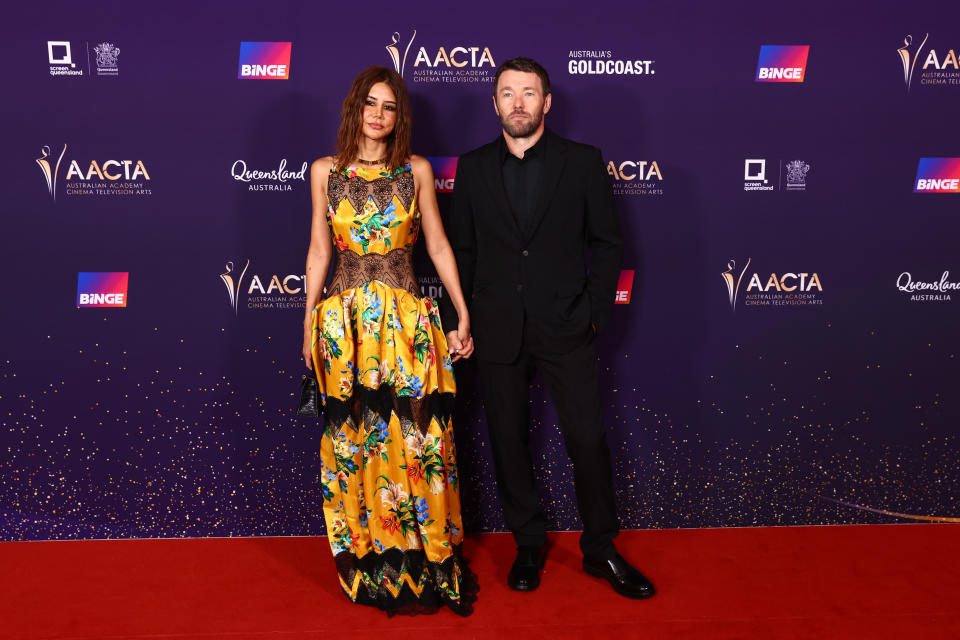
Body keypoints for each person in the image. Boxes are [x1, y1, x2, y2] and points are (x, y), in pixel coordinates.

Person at [439, 57, 654, 599]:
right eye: (507, 93)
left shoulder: (582, 163)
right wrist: (461, 320)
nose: (517, 102)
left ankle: (601, 548)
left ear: (546, 102)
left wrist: (594, 313)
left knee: (588, 439)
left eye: (528, 93)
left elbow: (607, 244)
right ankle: (528, 543)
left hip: (566, 326)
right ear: (495, 103)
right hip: (496, 330)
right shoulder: (472, 167)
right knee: (508, 441)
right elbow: (460, 252)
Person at [302, 66, 476, 616]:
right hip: (344, 328)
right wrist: (308, 323)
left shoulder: (416, 170)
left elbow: (439, 245)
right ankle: (373, 564)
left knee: (420, 440)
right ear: (355, 108)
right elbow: (318, 252)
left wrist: (461, 312)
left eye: (390, 107)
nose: (378, 115)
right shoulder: (324, 172)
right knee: (359, 442)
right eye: (370, 104)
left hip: (406, 325)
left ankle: (430, 561)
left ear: (400, 116)